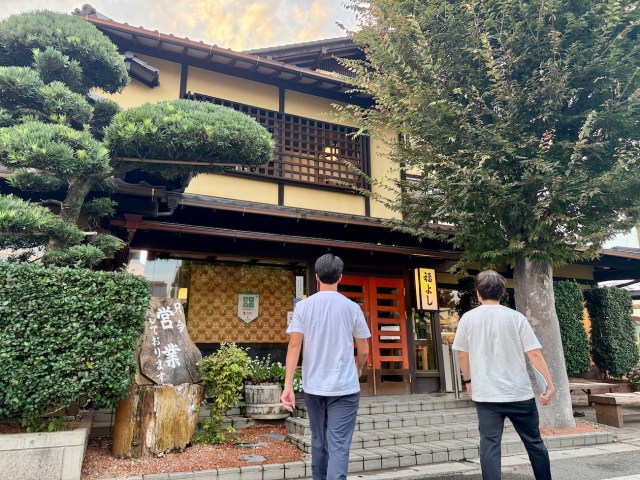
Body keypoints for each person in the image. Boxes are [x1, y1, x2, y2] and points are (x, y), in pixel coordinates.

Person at [452, 270, 555, 480]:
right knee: (534, 442)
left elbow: (462, 354)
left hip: (486, 395)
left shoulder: (468, 319)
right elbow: (534, 354)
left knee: (489, 446)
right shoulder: (516, 318)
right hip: (519, 393)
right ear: (502, 293)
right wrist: (549, 386)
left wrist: (468, 381)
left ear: (478, 293)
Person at [281, 254, 371, 480]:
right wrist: (358, 368)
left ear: (317, 277)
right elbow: (364, 350)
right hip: (345, 388)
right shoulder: (352, 308)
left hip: (314, 387)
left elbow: (294, 345)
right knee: (338, 445)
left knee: (319, 441)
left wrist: (288, 385)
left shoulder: (303, 307)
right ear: (340, 277)